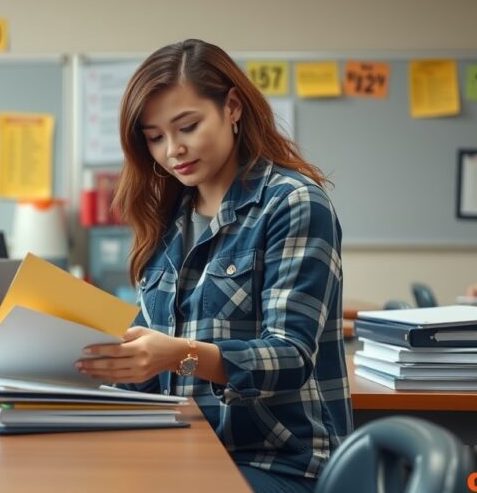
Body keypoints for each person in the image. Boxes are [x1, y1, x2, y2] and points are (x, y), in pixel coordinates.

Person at [75, 39, 351, 492]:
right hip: (179, 448)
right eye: (155, 137)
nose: (173, 151)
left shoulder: (293, 202)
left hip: (276, 462)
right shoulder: (167, 215)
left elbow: (290, 356)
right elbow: (149, 372)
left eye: (188, 127)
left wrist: (178, 355)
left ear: (233, 107)